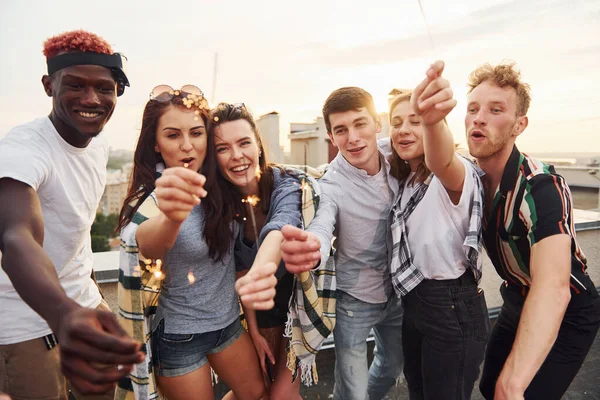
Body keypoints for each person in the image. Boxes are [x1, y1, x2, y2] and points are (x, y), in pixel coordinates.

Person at [0, 30, 143, 399]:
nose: (91, 99)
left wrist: (88, 297)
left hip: (82, 302)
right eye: (75, 86)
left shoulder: (99, 145)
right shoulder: (22, 151)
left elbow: (75, 229)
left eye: (104, 88)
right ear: (49, 85)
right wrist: (62, 314)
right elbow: (17, 238)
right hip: (24, 321)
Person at [115, 87, 270, 400]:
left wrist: (253, 328)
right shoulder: (154, 200)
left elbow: (238, 263)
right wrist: (173, 216)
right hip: (180, 335)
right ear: (156, 144)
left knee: (258, 394)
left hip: (227, 325)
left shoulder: (222, 187)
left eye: (197, 133)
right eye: (173, 135)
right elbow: (142, 244)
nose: (187, 146)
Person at [464, 62, 600, 399]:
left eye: (496, 110)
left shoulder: (541, 186)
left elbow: (553, 287)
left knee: (517, 391)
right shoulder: (469, 178)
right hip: (516, 298)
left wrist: (513, 384)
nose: (479, 118)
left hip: (568, 309)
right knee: (487, 386)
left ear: (519, 125)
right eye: (472, 109)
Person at [281, 86, 404, 400]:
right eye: (341, 130)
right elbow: (322, 226)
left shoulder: (398, 152)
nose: (353, 138)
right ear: (331, 137)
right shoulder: (331, 184)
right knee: (352, 391)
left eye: (360, 123)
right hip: (354, 300)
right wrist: (312, 249)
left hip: (399, 293)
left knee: (391, 367)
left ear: (377, 123)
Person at [386, 62, 489, 400]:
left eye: (414, 121)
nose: (404, 130)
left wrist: (431, 121)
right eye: (396, 123)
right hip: (417, 304)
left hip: (452, 308)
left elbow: (442, 159)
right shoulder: (409, 181)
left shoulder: (452, 175)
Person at [210, 102, 307, 398]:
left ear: (259, 146)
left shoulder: (285, 184)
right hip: (260, 319)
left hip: (296, 315)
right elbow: (240, 270)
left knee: (280, 396)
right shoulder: (221, 208)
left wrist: (261, 273)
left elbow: (280, 226)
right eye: (223, 148)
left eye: (244, 143)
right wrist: (253, 332)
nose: (237, 156)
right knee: (255, 393)